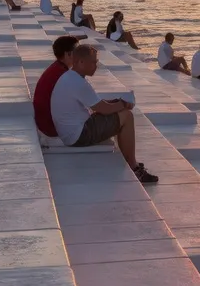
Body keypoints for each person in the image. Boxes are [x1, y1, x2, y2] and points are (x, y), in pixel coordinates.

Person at [50, 43, 157, 183]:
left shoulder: (70, 77)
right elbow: (104, 109)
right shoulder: (77, 82)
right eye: (93, 62)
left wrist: (116, 103)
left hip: (71, 132)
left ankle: (130, 160)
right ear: (81, 62)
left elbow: (97, 104)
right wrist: (124, 104)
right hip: (78, 135)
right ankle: (134, 167)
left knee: (119, 112)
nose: (96, 65)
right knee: (126, 116)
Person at [33, 35, 80, 139]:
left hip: (46, 123)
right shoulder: (62, 75)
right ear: (68, 54)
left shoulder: (56, 68)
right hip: (52, 127)